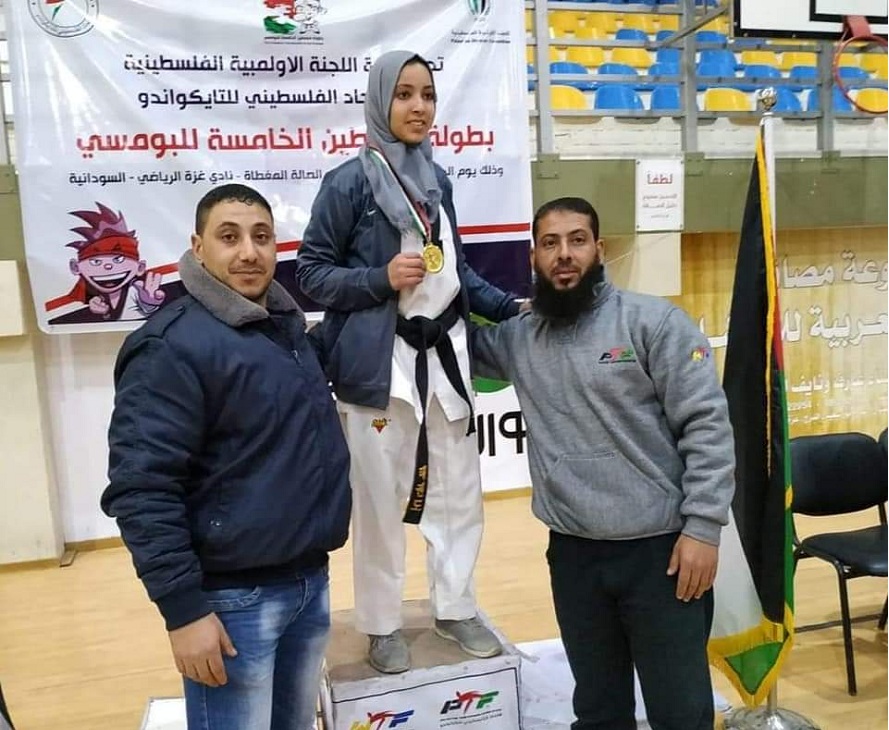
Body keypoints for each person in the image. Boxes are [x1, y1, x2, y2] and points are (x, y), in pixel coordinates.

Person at [471, 197, 736, 730]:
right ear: (533, 258)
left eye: (577, 240)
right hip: (574, 558)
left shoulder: (653, 322)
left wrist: (703, 529)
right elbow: (446, 341)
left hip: (662, 557)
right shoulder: (519, 339)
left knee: (680, 712)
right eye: (550, 244)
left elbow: (707, 426)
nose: (564, 254)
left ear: (600, 248)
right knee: (598, 710)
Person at [296, 50, 522, 674]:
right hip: (379, 368)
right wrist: (379, 277)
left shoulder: (437, 180)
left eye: (427, 95)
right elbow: (311, 273)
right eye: (404, 94)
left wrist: (511, 310)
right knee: (379, 504)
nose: (419, 106)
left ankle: (455, 608)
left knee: (458, 495)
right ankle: (381, 624)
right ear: (380, 102)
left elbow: (457, 274)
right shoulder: (347, 183)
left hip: (444, 359)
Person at [101, 183, 351, 730]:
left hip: (308, 583)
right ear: (198, 247)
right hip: (233, 602)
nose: (249, 252)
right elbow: (142, 487)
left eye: (262, 237)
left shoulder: (285, 330)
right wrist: (183, 610)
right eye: (229, 237)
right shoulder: (171, 346)